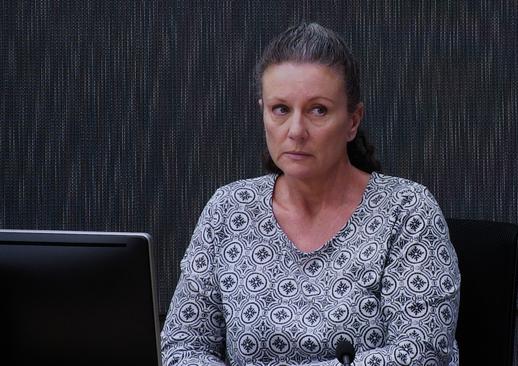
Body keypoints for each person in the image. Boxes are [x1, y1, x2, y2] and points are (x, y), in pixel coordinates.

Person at [161, 22, 460, 366]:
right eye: (281, 110)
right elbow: (183, 348)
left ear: (352, 121)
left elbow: (420, 355)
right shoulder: (228, 209)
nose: (296, 131)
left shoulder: (407, 209)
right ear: (264, 114)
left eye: (318, 110)